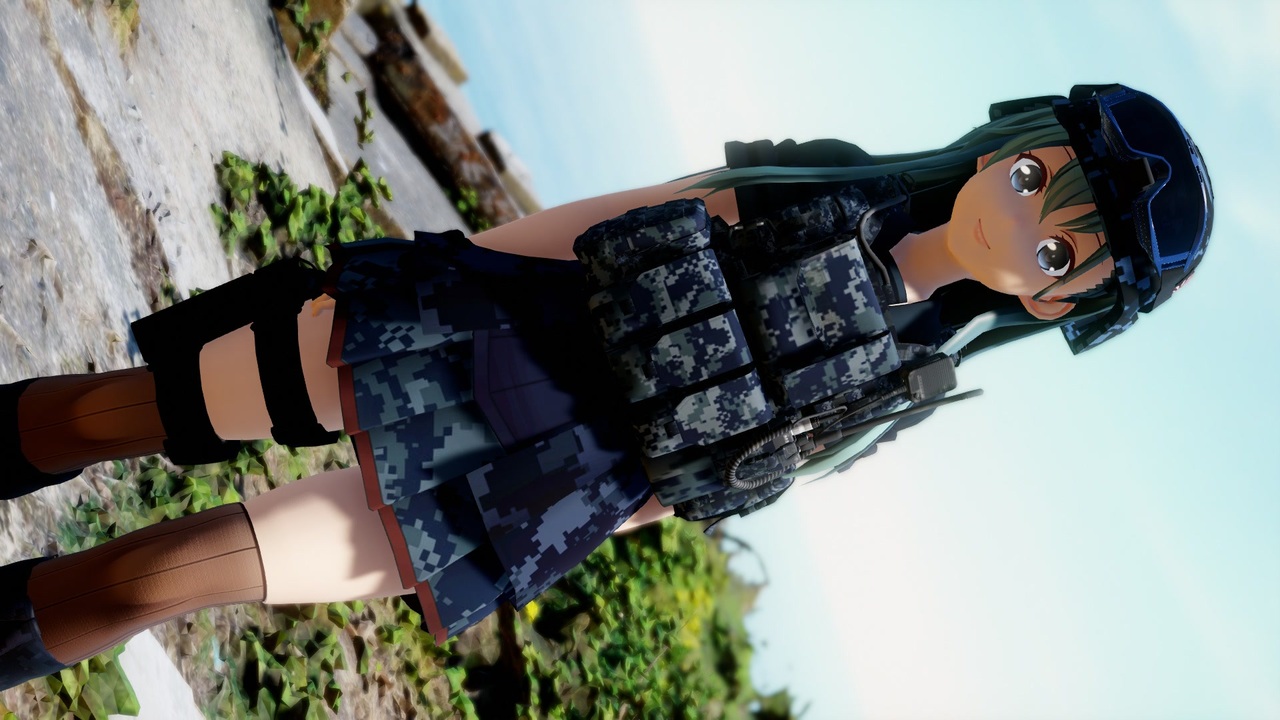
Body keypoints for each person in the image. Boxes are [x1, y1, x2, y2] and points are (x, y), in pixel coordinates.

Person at [0, 84, 1212, 689]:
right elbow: (626, 216)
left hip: (539, 481)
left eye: (1061, 255)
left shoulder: (902, 386)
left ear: (1057, 304)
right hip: (477, 329)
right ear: (1010, 142)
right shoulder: (826, 186)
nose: (1021, 225)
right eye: (1035, 179)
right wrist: (450, 270)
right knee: (133, 409)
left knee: (157, 577)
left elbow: (695, 486)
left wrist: (556, 527)